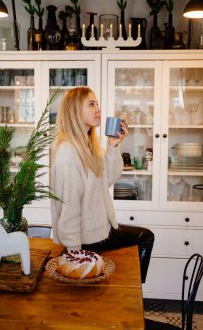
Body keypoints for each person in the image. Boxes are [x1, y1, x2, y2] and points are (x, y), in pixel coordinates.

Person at [51, 86, 154, 283]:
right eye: (91, 104)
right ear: (74, 111)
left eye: (97, 104)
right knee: (145, 237)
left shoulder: (88, 145)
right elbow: (68, 209)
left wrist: (113, 145)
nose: (98, 109)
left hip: (100, 229)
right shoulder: (68, 152)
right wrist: (75, 255)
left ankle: (130, 291)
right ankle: (135, 292)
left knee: (143, 238)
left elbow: (108, 179)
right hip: (88, 241)